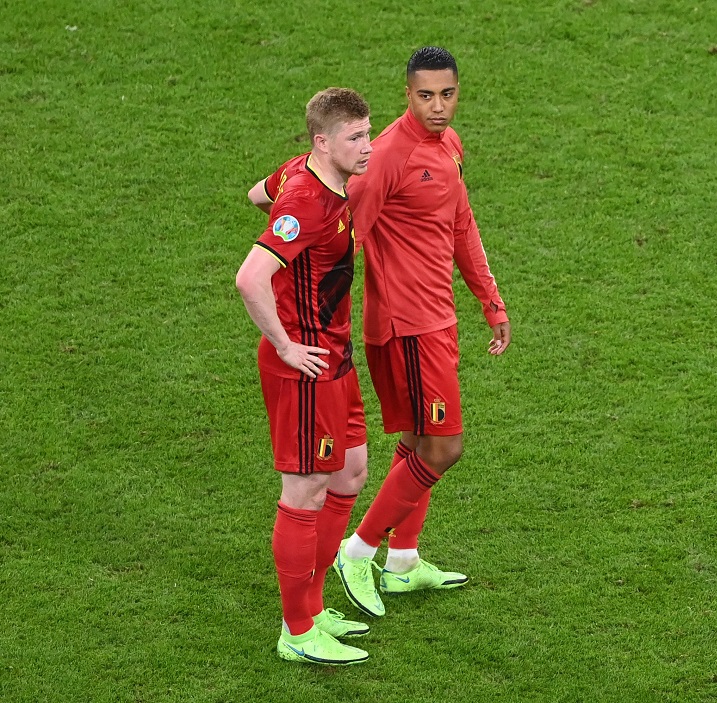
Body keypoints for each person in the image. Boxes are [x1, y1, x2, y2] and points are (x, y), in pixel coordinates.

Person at [334, 46, 511, 618]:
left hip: (438, 320)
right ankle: (357, 551)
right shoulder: (387, 156)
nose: (439, 106)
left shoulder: (450, 146)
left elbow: (460, 224)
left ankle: (403, 562)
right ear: (406, 94)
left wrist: (490, 299)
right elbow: (341, 234)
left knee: (416, 442)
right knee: (443, 446)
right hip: (407, 327)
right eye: (426, 95)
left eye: (448, 94)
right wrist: (317, 320)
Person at [236, 87, 374, 665]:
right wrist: (287, 345)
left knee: (351, 471)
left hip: (335, 356)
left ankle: (315, 608)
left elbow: (254, 194)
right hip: (306, 366)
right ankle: (297, 631)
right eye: (356, 138)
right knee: (306, 490)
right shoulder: (307, 202)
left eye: (368, 133)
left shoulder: (306, 175)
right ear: (323, 141)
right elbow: (250, 278)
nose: (367, 147)